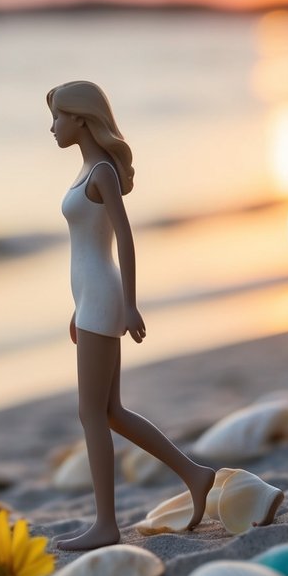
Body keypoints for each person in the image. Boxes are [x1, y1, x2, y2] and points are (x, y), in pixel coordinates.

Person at [47, 80, 216, 551]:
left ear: (81, 118)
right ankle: (196, 475)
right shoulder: (87, 168)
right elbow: (87, 249)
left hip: (104, 297)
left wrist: (129, 303)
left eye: (59, 117)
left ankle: (105, 524)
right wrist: (78, 307)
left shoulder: (100, 171)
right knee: (111, 412)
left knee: (91, 413)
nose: (53, 127)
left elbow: (124, 238)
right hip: (91, 298)